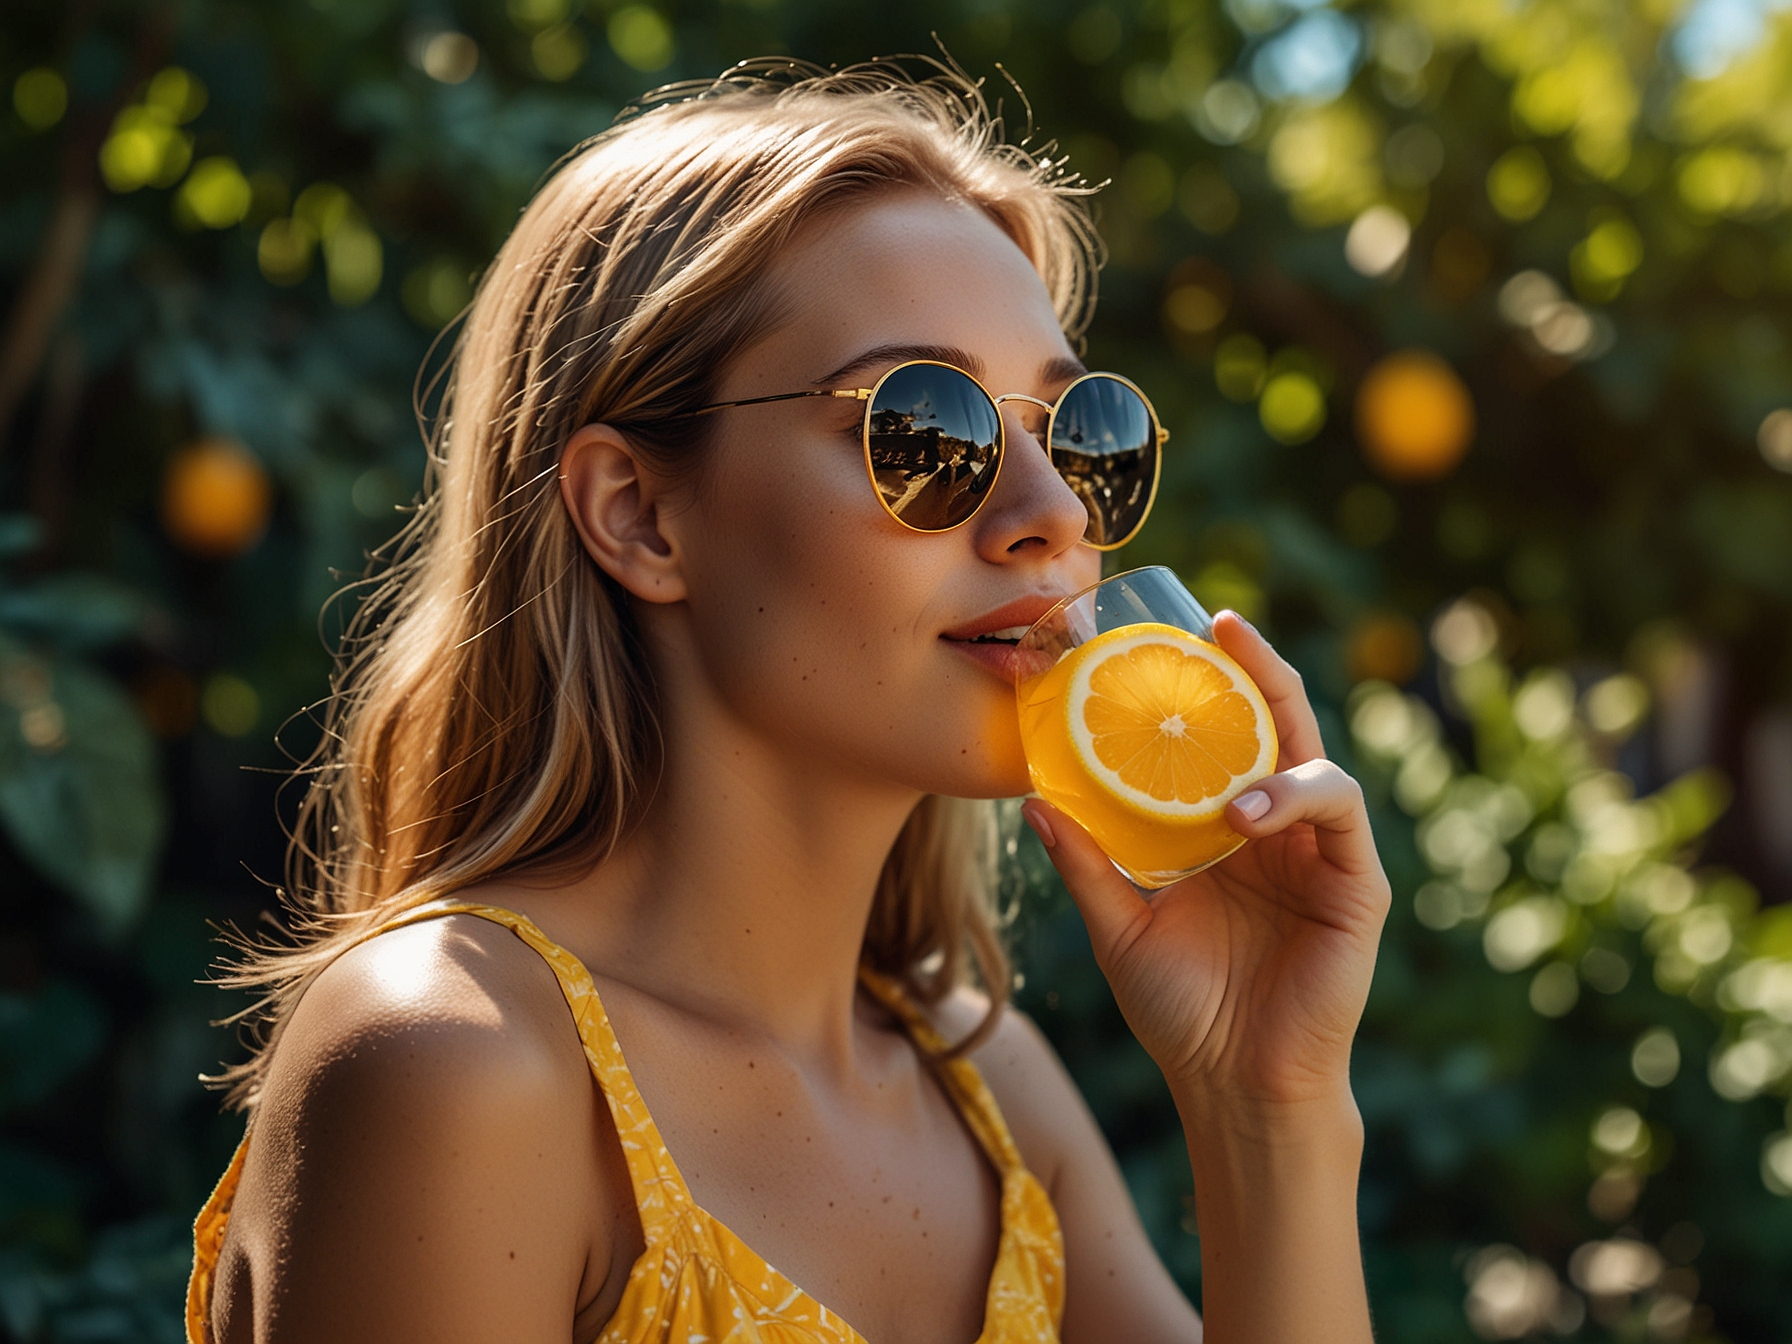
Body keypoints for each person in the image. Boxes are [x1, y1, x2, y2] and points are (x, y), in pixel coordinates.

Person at [186, 58, 1391, 1344]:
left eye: (1077, 432)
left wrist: (1268, 1109)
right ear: (639, 515)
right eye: (926, 429)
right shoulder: (458, 1062)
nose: (1050, 516)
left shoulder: (992, 1098)